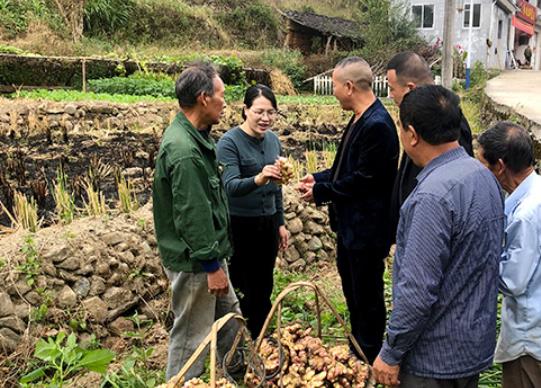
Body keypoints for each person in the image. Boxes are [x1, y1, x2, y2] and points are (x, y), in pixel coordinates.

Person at [373, 85, 505, 388]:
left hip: (433, 360)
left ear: (412, 134)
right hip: (471, 346)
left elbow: (418, 291)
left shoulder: (432, 197)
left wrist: (391, 352)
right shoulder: (483, 175)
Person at [298, 56, 399, 364]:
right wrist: (317, 178)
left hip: (367, 231)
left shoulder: (378, 125)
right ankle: (359, 347)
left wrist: (321, 192)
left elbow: (365, 180)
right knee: (353, 293)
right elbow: (346, 169)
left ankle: (369, 357)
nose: (333, 92)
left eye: (335, 85)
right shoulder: (360, 118)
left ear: (349, 86)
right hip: (350, 228)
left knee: (367, 297)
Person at [152, 63, 241, 381]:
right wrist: (211, 266)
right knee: (191, 337)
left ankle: (244, 375)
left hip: (208, 256)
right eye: (221, 95)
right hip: (197, 264)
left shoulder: (195, 137)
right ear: (204, 98)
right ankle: (181, 383)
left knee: (231, 321)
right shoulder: (185, 151)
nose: (225, 102)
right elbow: (192, 215)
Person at [216, 84, 289, 339]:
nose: (265, 118)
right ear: (245, 110)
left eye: (271, 112)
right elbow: (230, 186)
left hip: (266, 223)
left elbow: (277, 187)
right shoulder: (229, 143)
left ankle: (261, 336)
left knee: (263, 282)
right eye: (259, 111)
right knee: (240, 283)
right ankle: (238, 337)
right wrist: (258, 178)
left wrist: (280, 222)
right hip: (239, 225)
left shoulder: (273, 141)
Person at [477, 122, 541, 388]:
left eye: (483, 165)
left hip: (530, 340)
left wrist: (476, 259)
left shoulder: (525, 216)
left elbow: (513, 281)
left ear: (500, 166)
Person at [386, 51, 474, 237]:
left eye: (392, 89)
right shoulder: (417, 118)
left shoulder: (450, 123)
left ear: (410, 88)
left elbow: (455, 188)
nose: (391, 96)